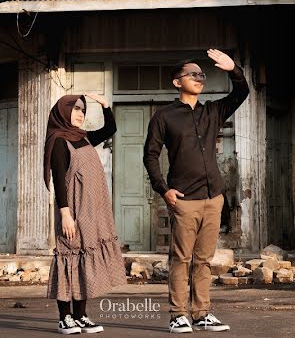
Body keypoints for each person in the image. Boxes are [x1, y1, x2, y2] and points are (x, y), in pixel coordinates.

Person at [144, 49, 249, 333]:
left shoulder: (212, 111)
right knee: (182, 259)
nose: (199, 77)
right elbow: (150, 155)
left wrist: (232, 69)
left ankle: (202, 313)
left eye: (202, 74)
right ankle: (178, 314)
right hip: (184, 199)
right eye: (192, 74)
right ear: (177, 82)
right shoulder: (163, 116)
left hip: (213, 197)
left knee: (204, 259)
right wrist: (163, 189)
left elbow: (241, 93)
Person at [45, 93, 126, 334]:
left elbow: (110, 128)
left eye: (83, 110)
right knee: (68, 257)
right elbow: (59, 180)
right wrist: (65, 214)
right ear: (62, 112)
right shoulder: (59, 141)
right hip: (72, 210)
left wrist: (104, 105)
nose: (81, 114)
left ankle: (80, 315)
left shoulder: (84, 138)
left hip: (92, 211)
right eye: (75, 109)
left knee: (83, 260)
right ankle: (64, 317)